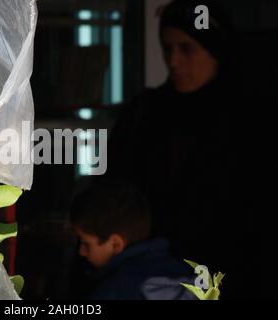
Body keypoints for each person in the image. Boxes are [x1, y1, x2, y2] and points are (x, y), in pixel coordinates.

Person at [105, 0, 254, 299]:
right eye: (167, 48)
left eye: (186, 49)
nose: (173, 61)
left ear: (215, 52)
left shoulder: (247, 119)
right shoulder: (145, 113)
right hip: (146, 277)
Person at [69, 181, 196, 300]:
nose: (82, 252)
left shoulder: (116, 291)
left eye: (86, 244)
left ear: (115, 244)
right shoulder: (185, 272)